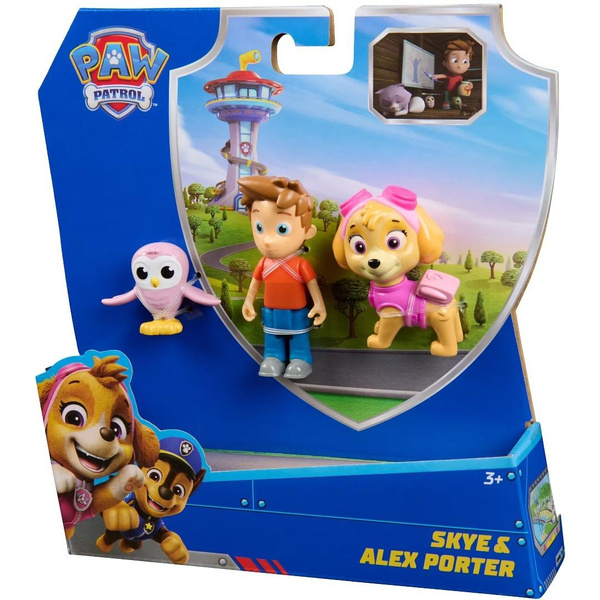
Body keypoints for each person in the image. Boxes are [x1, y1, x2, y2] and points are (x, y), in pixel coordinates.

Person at [239, 176, 327, 379]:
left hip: (297, 311)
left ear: (308, 231)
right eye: (259, 228)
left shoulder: (300, 264)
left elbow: (312, 286)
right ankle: (273, 357)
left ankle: (301, 358)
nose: (268, 241)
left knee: (298, 337)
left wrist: (319, 305)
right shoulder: (264, 263)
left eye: (282, 229)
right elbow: (255, 283)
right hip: (271, 311)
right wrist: (248, 301)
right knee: (272, 336)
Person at [432, 39, 475, 109]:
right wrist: (435, 76)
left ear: (469, 64)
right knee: (447, 97)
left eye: (465, 61)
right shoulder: (449, 75)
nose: (459, 66)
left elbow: (465, 84)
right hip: (448, 91)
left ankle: (458, 103)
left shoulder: (461, 78)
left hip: (457, 91)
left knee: (458, 97)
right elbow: (443, 75)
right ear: (445, 63)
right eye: (455, 61)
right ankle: (447, 102)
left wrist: (470, 85)